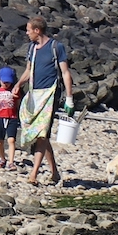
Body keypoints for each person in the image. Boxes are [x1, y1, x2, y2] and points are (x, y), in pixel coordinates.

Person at [15, 16, 72, 186]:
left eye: (28, 30)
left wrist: (69, 98)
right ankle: (54, 172)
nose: (27, 33)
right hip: (34, 94)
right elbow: (28, 70)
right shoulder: (32, 48)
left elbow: (65, 73)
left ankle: (33, 174)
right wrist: (18, 84)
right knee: (42, 135)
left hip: (50, 94)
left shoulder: (56, 47)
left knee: (41, 134)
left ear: (37, 31)